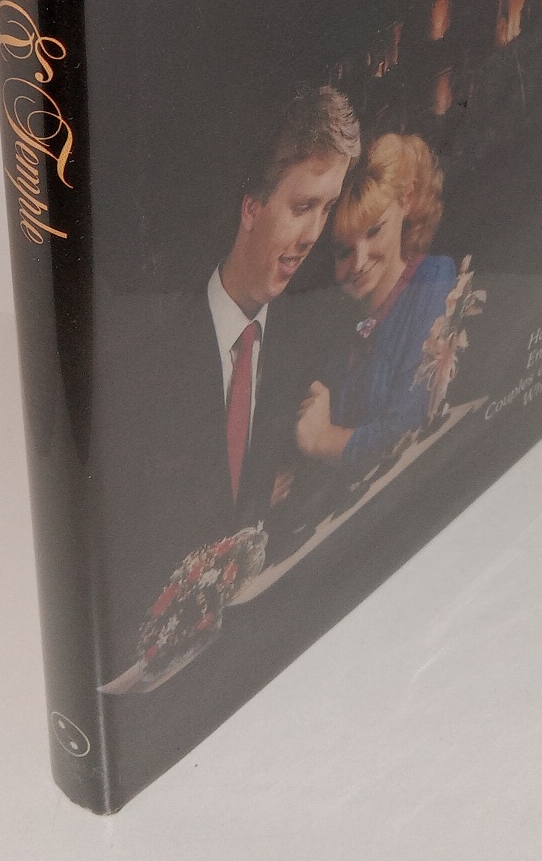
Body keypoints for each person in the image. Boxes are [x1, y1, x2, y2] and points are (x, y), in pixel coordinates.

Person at [92, 84, 359, 674]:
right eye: (302, 206)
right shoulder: (145, 358)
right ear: (251, 209)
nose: (315, 233)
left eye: (327, 208)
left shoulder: (314, 339)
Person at [294, 133, 458, 481]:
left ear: (406, 200)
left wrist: (323, 440)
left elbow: (407, 431)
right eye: (343, 251)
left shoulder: (433, 280)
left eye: (373, 232)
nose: (358, 262)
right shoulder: (343, 325)